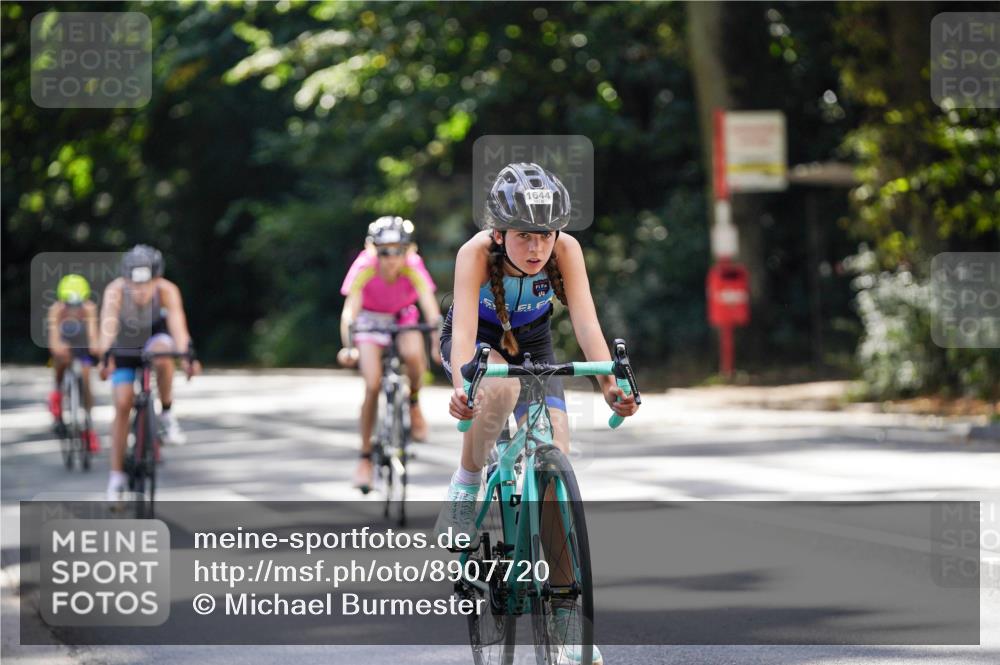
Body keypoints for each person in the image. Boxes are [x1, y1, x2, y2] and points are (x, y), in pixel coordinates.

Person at [436, 163, 639, 665]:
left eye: (545, 235)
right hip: (479, 343)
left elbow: (587, 325)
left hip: (534, 345)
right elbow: (462, 336)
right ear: (499, 233)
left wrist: (611, 386)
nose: (536, 247)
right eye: (524, 236)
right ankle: (466, 481)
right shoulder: (474, 254)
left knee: (556, 472)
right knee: (500, 393)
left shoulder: (566, 251)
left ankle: (568, 619)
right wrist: (465, 388)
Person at [337, 216, 443, 492]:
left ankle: (414, 402)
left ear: (409, 249)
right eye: (385, 251)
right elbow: (350, 312)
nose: (391, 258)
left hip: (402, 317)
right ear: (373, 249)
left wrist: (436, 343)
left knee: (414, 357)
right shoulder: (364, 266)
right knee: (372, 384)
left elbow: (431, 310)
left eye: (399, 250)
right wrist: (349, 346)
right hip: (370, 321)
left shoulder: (413, 266)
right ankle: (364, 458)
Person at [95, 245, 200, 501]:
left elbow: (178, 328)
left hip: (155, 338)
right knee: (122, 404)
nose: (140, 291)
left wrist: (188, 355)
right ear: (126, 278)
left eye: (147, 284)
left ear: (157, 279)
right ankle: (117, 476)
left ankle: (165, 413)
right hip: (124, 343)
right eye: (134, 283)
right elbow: (106, 330)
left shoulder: (167, 291)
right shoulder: (115, 291)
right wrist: (104, 356)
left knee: (165, 355)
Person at [46, 274, 101, 453]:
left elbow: (93, 336)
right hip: (64, 345)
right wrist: (59, 347)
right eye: (69, 305)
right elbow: (54, 339)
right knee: (61, 359)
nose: (73, 309)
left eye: (77, 305)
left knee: (86, 376)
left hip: (82, 347)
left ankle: (88, 425)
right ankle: (57, 392)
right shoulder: (56, 310)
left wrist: (95, 347)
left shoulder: (89, 309)